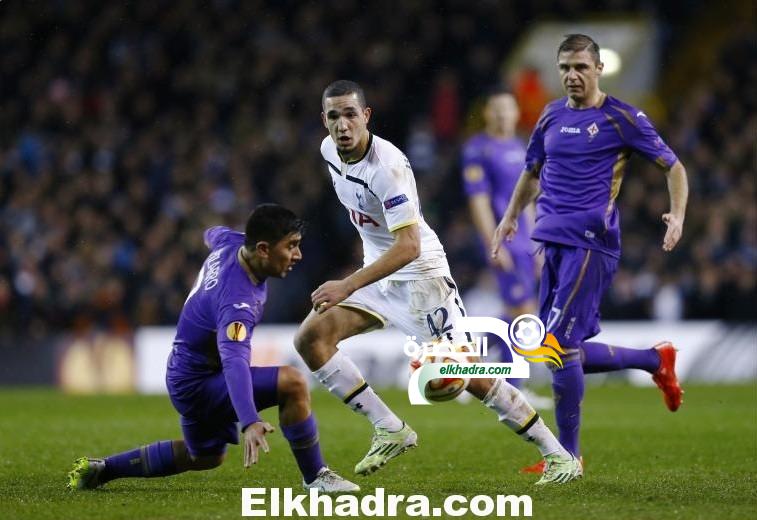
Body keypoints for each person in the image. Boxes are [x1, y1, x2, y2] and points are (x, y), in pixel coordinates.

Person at [294, 79, 582, 486]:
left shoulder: (387, 167)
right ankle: (389, 427)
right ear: (324, 120)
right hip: (380, 270)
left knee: (470, 377)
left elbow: (409, 245)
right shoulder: (328, 150)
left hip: (422, 278)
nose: (343, 125)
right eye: (334, 116)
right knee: (311, 338)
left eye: (351, 114)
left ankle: (558, 455)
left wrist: (347, 284)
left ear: (367, 116)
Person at [492, 34, 688, 471]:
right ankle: (655, 359)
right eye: (564, 68)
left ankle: (567, 456)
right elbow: (531, 172)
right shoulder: (550, 114)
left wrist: (676, 215)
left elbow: (673, 166)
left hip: (590, 242)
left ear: (598, 69)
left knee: (557, 347)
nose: (571, 76)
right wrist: (508, 218)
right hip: (551, 241)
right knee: (554, 348)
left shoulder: (621, 117)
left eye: (580, 67)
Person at [67, 204, 359, 493]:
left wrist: (208, 226)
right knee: (293, 383)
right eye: (291, 246)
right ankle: (316, 477)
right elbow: (234, 362)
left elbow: (214, 233)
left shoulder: (231, 243)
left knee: (205, 456)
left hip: (185, 373)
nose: (298, 255)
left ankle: (104, 469)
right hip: (200, 383)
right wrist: (249, 421)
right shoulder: (236, 302)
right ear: (263, 249)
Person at [461, 87, 552, 410]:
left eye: (508, 109)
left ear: (516, 114)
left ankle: (463, 367)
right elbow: (479, 200)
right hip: (503, 239)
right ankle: (514, 390)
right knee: (523, 314)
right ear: (487, 113)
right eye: (496, 109)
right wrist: (492, 242)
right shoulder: (478, 150)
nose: (502, 115)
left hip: (525, 239)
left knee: (520, 313)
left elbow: (527, 200)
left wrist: (536, 243)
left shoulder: (520, 147)